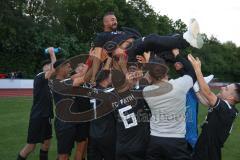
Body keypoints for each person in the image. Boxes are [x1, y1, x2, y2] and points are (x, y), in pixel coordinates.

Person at [143, 49, 197, 160]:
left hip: (155, 140)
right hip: (176, 141)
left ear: (150, 74)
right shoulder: (180, 85)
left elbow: (147, 79)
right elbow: (192, 71)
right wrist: (177, 55)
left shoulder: (146, 91)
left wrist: (149, 64)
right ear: (166, 71)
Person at [187, 54, 239, 160]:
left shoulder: (226, 110)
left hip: (207, 154)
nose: (222, 88)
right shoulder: (227, 108)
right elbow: (205, 101)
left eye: (226, 89)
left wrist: (198, 69)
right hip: (203, 149)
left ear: (231, 97)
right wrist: (196, 88)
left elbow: (208, 94)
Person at [17, 48, 56, 160]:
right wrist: (52, 53)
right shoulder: (40, 76)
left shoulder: (48, 82)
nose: (49, 66)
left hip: (47, 116)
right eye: (47, 65)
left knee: (46, 143)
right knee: (31, 146)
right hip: (38, 116)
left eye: (50, 64)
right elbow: (53, 70)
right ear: (43, 68)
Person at [52, 59, 90, 160]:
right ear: (61, 68)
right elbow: (84, 76)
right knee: (63, 155)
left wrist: (90, 59)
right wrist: (91, 59)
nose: (70, 69)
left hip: (74, 121)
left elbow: (81, 74)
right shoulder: (57, 83)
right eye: (68, 67)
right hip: (64, 124)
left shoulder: (67, 79)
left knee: (77, 150)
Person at [87, 70, 116, 160]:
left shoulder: (91, 91)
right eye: (111, 75)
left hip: (93, 132)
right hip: (107, 132)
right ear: (105, 78)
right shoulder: (109, 92)